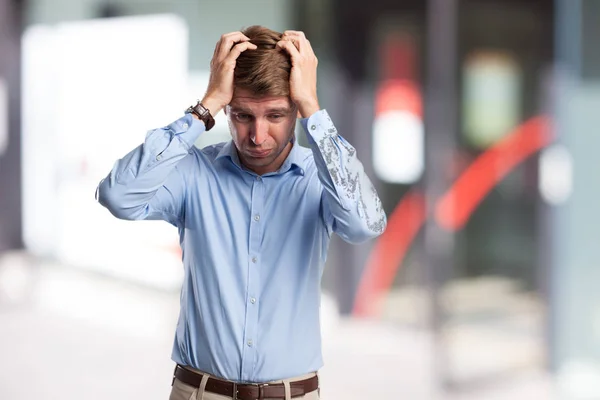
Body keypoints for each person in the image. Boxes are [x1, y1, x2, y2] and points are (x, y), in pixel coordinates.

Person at [97, 25, 386, 400]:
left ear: (295, 109)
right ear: (228, 112)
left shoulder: (321, 177)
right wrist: (206, 106)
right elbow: (118, 196)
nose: (258, 136)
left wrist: (314, 108)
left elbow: (366, 224)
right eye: (242, 115)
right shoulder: (195, 172)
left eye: (275, 115)